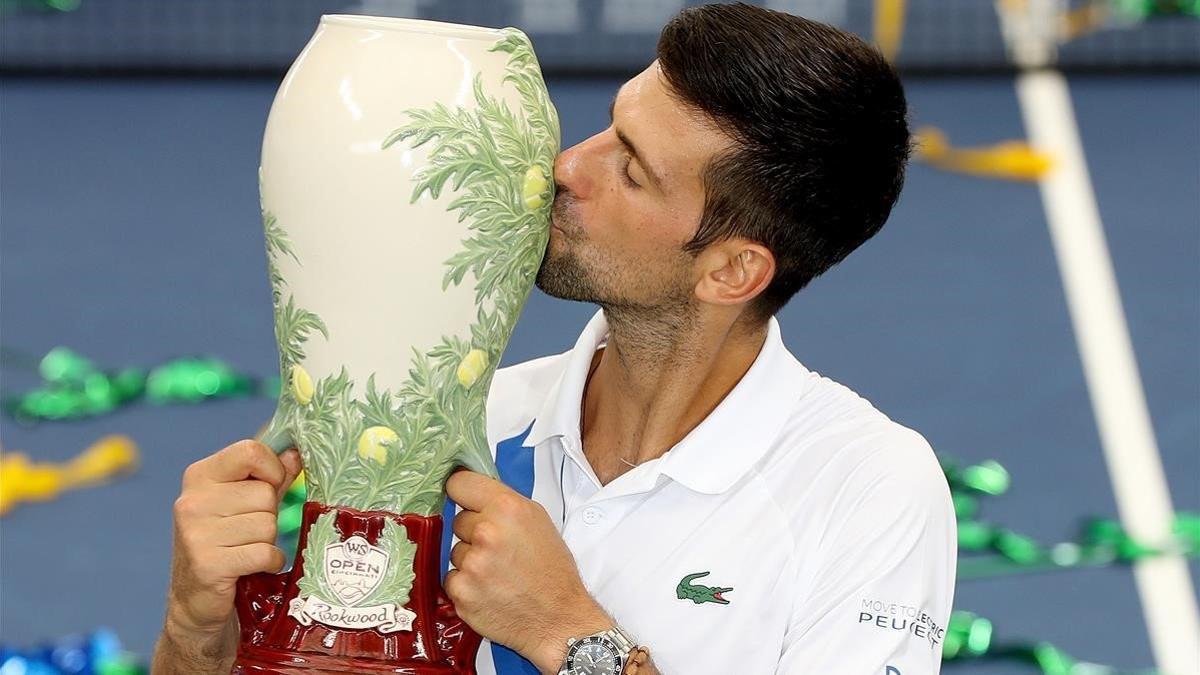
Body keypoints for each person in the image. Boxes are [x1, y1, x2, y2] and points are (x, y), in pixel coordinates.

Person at [153, 3, 956, 674]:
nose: (571, 165)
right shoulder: (457, 421)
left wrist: (568, 636)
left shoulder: (868, 490)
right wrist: (196, 630)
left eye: (631, 170)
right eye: (609, 126)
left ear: (731, 270)